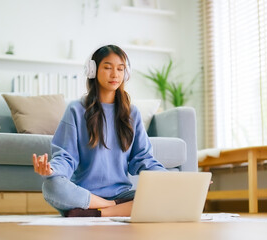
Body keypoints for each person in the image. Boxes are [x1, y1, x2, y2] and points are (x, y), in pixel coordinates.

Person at [32, 45, 167, 217]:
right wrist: (52, 171)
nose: (115, 74)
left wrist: (174, 181)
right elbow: (66, 157)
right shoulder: (76, 109)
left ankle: (95, 213)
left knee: (162, 196)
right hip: (86, 194)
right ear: (93, 70)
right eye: (108, 67)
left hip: (121, 194)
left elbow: (143, 159)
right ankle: (112, 208)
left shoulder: (132, 113)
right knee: (51, 186)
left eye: (120, 69)